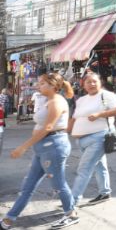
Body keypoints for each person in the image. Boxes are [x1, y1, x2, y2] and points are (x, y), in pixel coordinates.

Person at [1, 73, 79, 230]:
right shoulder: (47, 100)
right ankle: (9, 220)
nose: (38, 86)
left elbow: (48, 127)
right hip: (43, 147)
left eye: (42, 83)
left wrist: (23, 147)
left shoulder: (57, 101)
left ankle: (71, 213)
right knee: (28, 186)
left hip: (53, 146)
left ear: (53, 86)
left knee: (58, 184)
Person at [67, 72, 116, 207]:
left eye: (94, 81)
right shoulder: (81, 100)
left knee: (84, 169)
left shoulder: (107, 95)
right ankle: (105, 192)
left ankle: (72, 201)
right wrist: (64, 132)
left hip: (99, 137)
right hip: (81, 140)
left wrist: (99, 114)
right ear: (83, 85)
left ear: (100, 82)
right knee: (99, 166)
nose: (91, 84)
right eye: (88, 82)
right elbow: (74, 118)